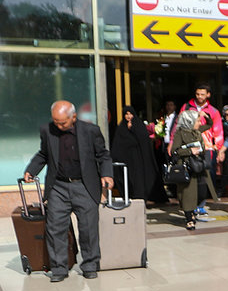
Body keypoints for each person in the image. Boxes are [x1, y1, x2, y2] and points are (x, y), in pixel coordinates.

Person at [24, 100, 114, 281]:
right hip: (58, 186)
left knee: (88, 229)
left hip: (84, 185)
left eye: (62, 122)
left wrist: (107, 174)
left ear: (73, 117)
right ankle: (58, 269)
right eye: (55, 121)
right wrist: (31, 169)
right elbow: (43, 153)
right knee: (55, 228)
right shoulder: (47, 130)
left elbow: (103, 155)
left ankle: (90, 265)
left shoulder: (91, 131)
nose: (59, 125)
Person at [178, 84, 223, 216]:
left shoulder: (213, 111)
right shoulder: (186, 107)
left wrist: (218, 147)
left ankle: (201, 204)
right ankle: (189, 205)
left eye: (203, 94)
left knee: (204, 177)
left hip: (206, 147)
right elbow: (179, 124)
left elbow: (218, 129)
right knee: (190, 177)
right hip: (188, 146)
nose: (199, 97)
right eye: (198, 94)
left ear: (208, 95)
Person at [169, 108, 213, 230]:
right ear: (189, 121)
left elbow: (209, 124)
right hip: (186, 166)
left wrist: (206, 115)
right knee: (188, 193)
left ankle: (192, 212)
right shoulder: (180, 133)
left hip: (198, 166)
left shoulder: (196, 131)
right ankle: (189, 218)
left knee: (200, 192)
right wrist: (190, 151)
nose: (199, 123)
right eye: (197, 120)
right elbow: (174, 151)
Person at [110, 105, 160, 202]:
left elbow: (143, 140)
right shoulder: (121, 128)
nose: (128, 116)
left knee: (138, 180)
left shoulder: (139, 126)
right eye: (126, 114)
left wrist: (133, 129)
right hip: (126, 159)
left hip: (138, 159)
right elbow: (118, 144)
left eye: (130, 114)